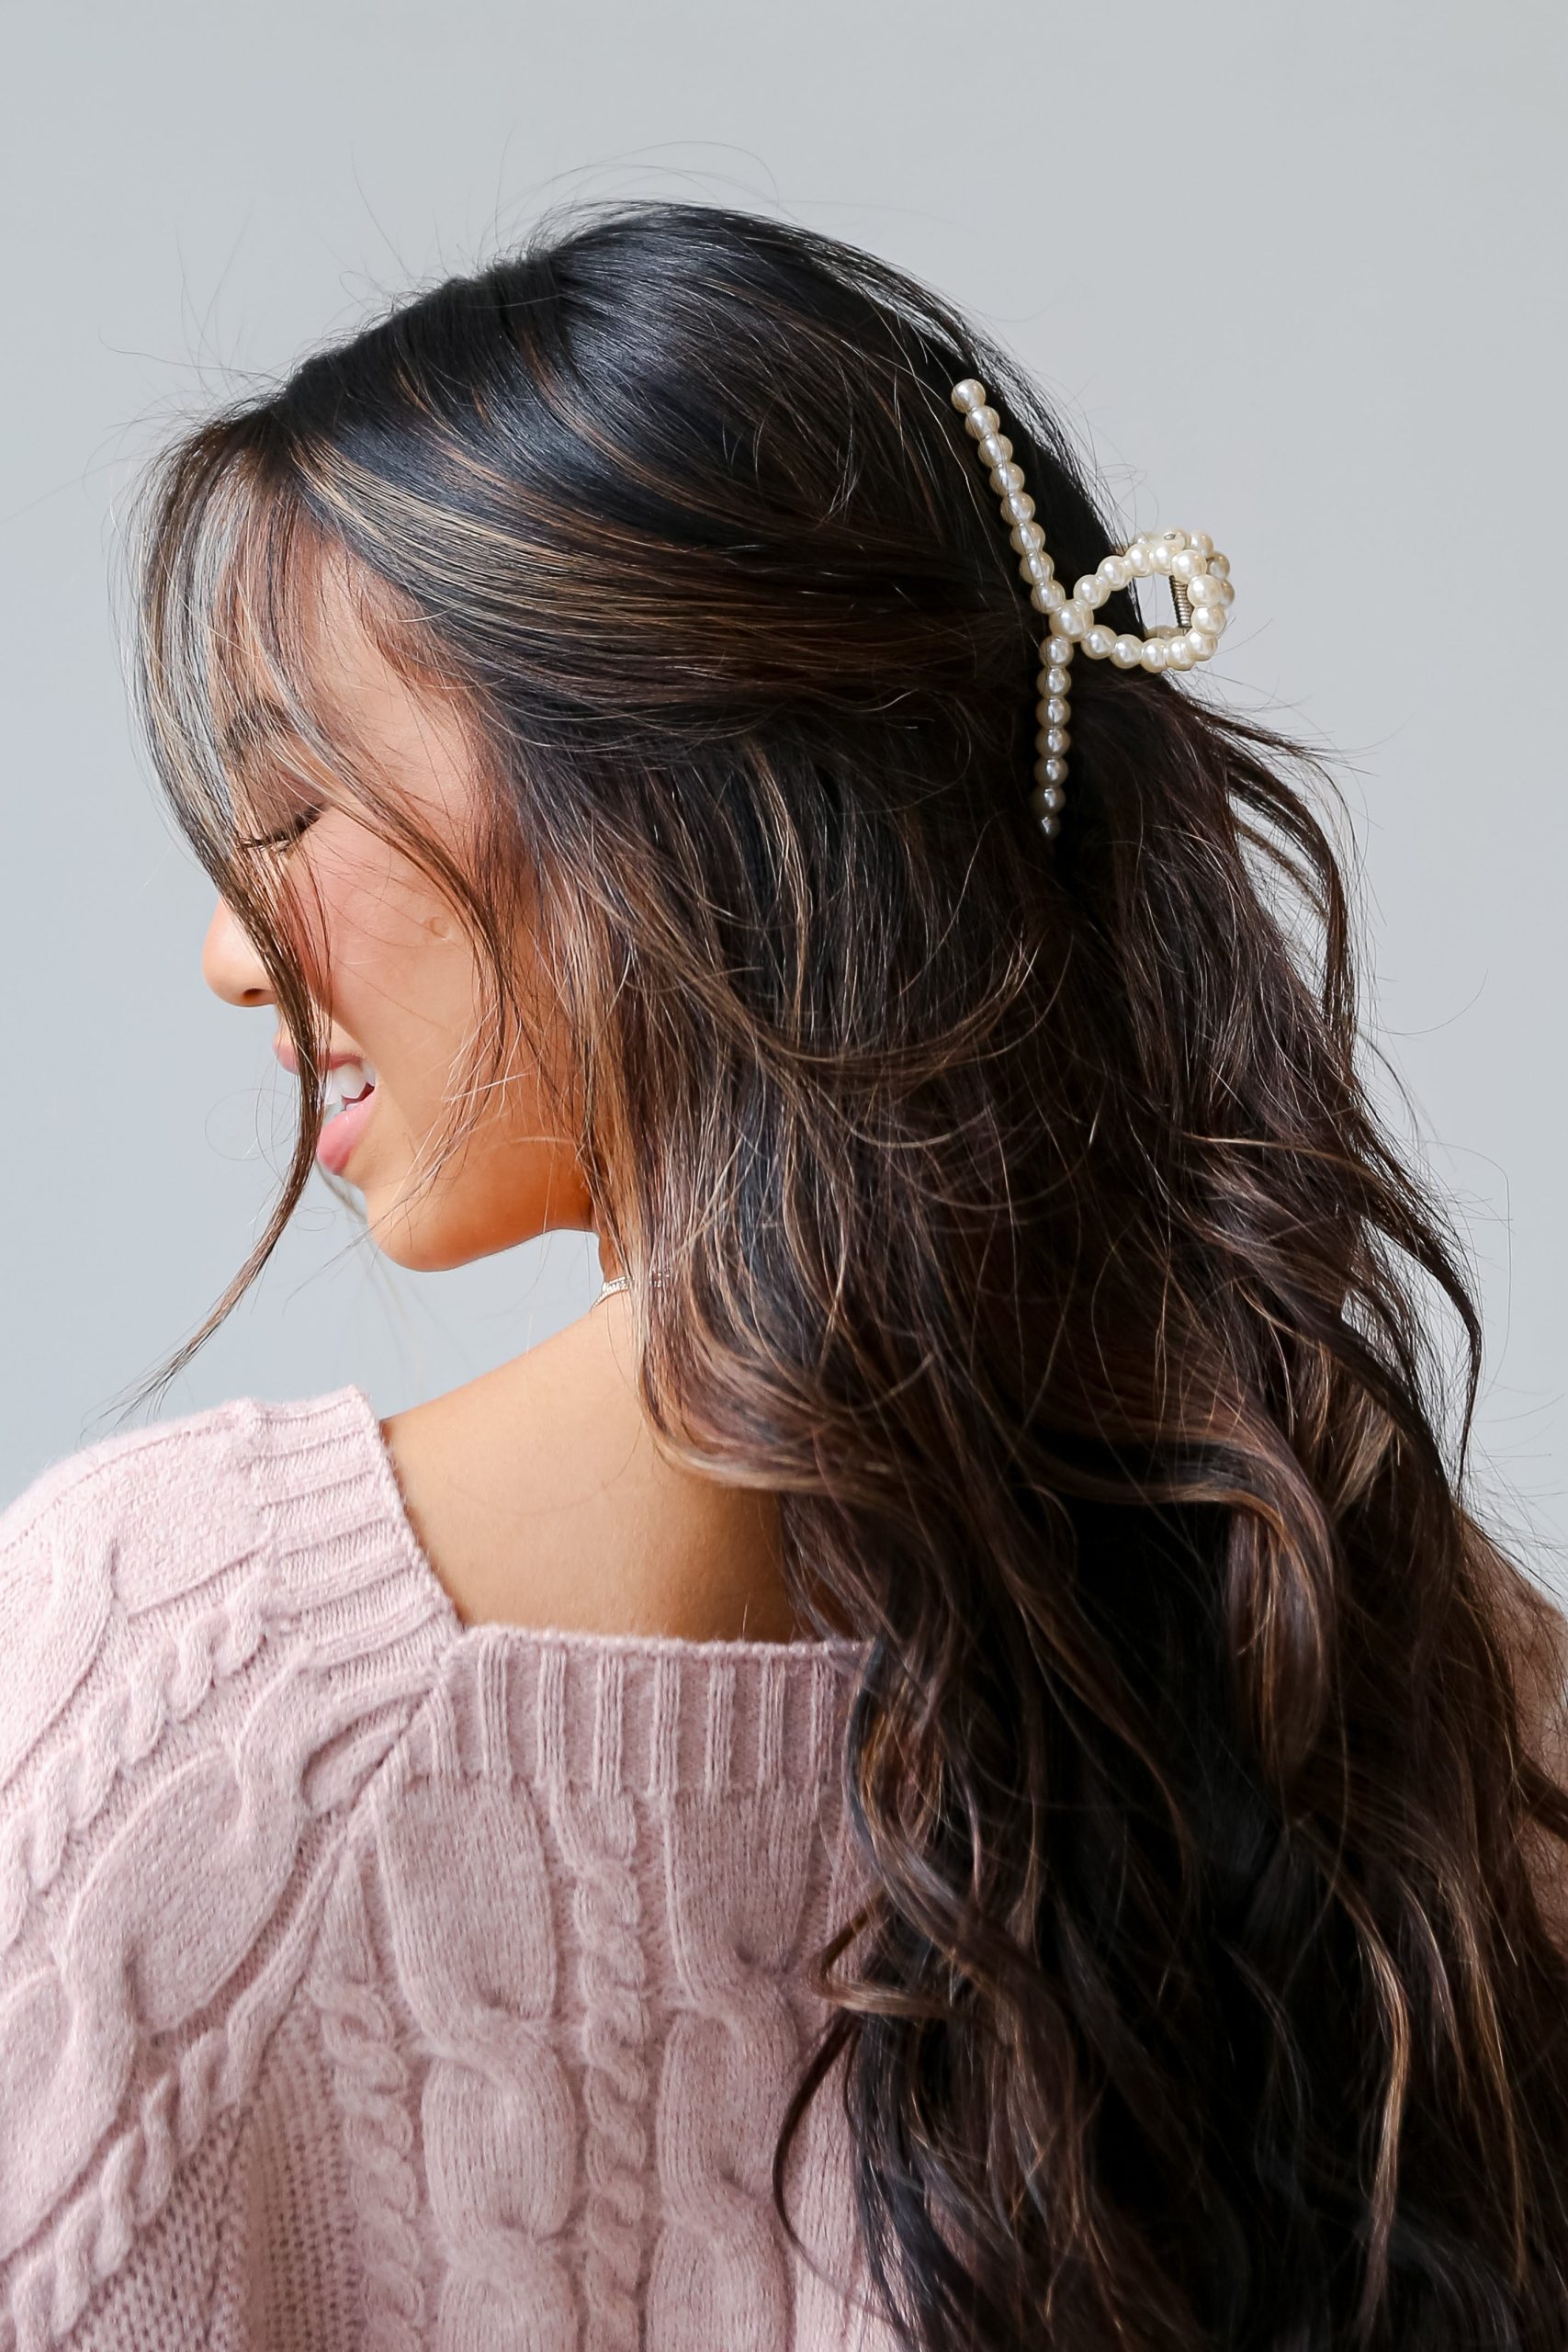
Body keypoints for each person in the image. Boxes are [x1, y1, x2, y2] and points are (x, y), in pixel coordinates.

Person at [3, 200, 1567, 2352]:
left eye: (293, 802)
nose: (227, 949)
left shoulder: (178, 1671)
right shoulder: (1383, 1633)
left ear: (673, 783)